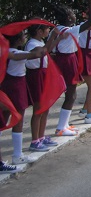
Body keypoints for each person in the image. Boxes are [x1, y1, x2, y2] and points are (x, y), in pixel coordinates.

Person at [2, 30, 52, 164]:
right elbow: (38, 53)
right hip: (16, 86)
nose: (25, 37)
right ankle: (17, 155)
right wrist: (53, 37)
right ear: (18, 40)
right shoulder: (16, 53)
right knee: (18, 120)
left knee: (3, 120)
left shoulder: (4, 51)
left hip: (6, 87)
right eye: (23, 35)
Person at [51, 0, 91, 135]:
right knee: (71, 94)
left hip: (60, 59)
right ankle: (61, 127)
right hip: (67, 60)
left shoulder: (56, 29)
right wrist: (90, 1)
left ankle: (64, 125)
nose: (74, 16)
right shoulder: (69, 30)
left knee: (70, 93)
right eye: (72, 14)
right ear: (68, 18)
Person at [24, 23, 62, 151]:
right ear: (39, 31)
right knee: (38, 109)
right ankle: (35, 140)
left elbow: (48, 49)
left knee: (45, 108)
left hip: (43, 74)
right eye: (47, 29)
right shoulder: (32, 44)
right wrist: (53, 36)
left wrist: (56, 38)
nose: (49, 30)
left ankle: (41, 136)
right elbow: (43, 51)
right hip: (36, 76)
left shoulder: (39, 42)